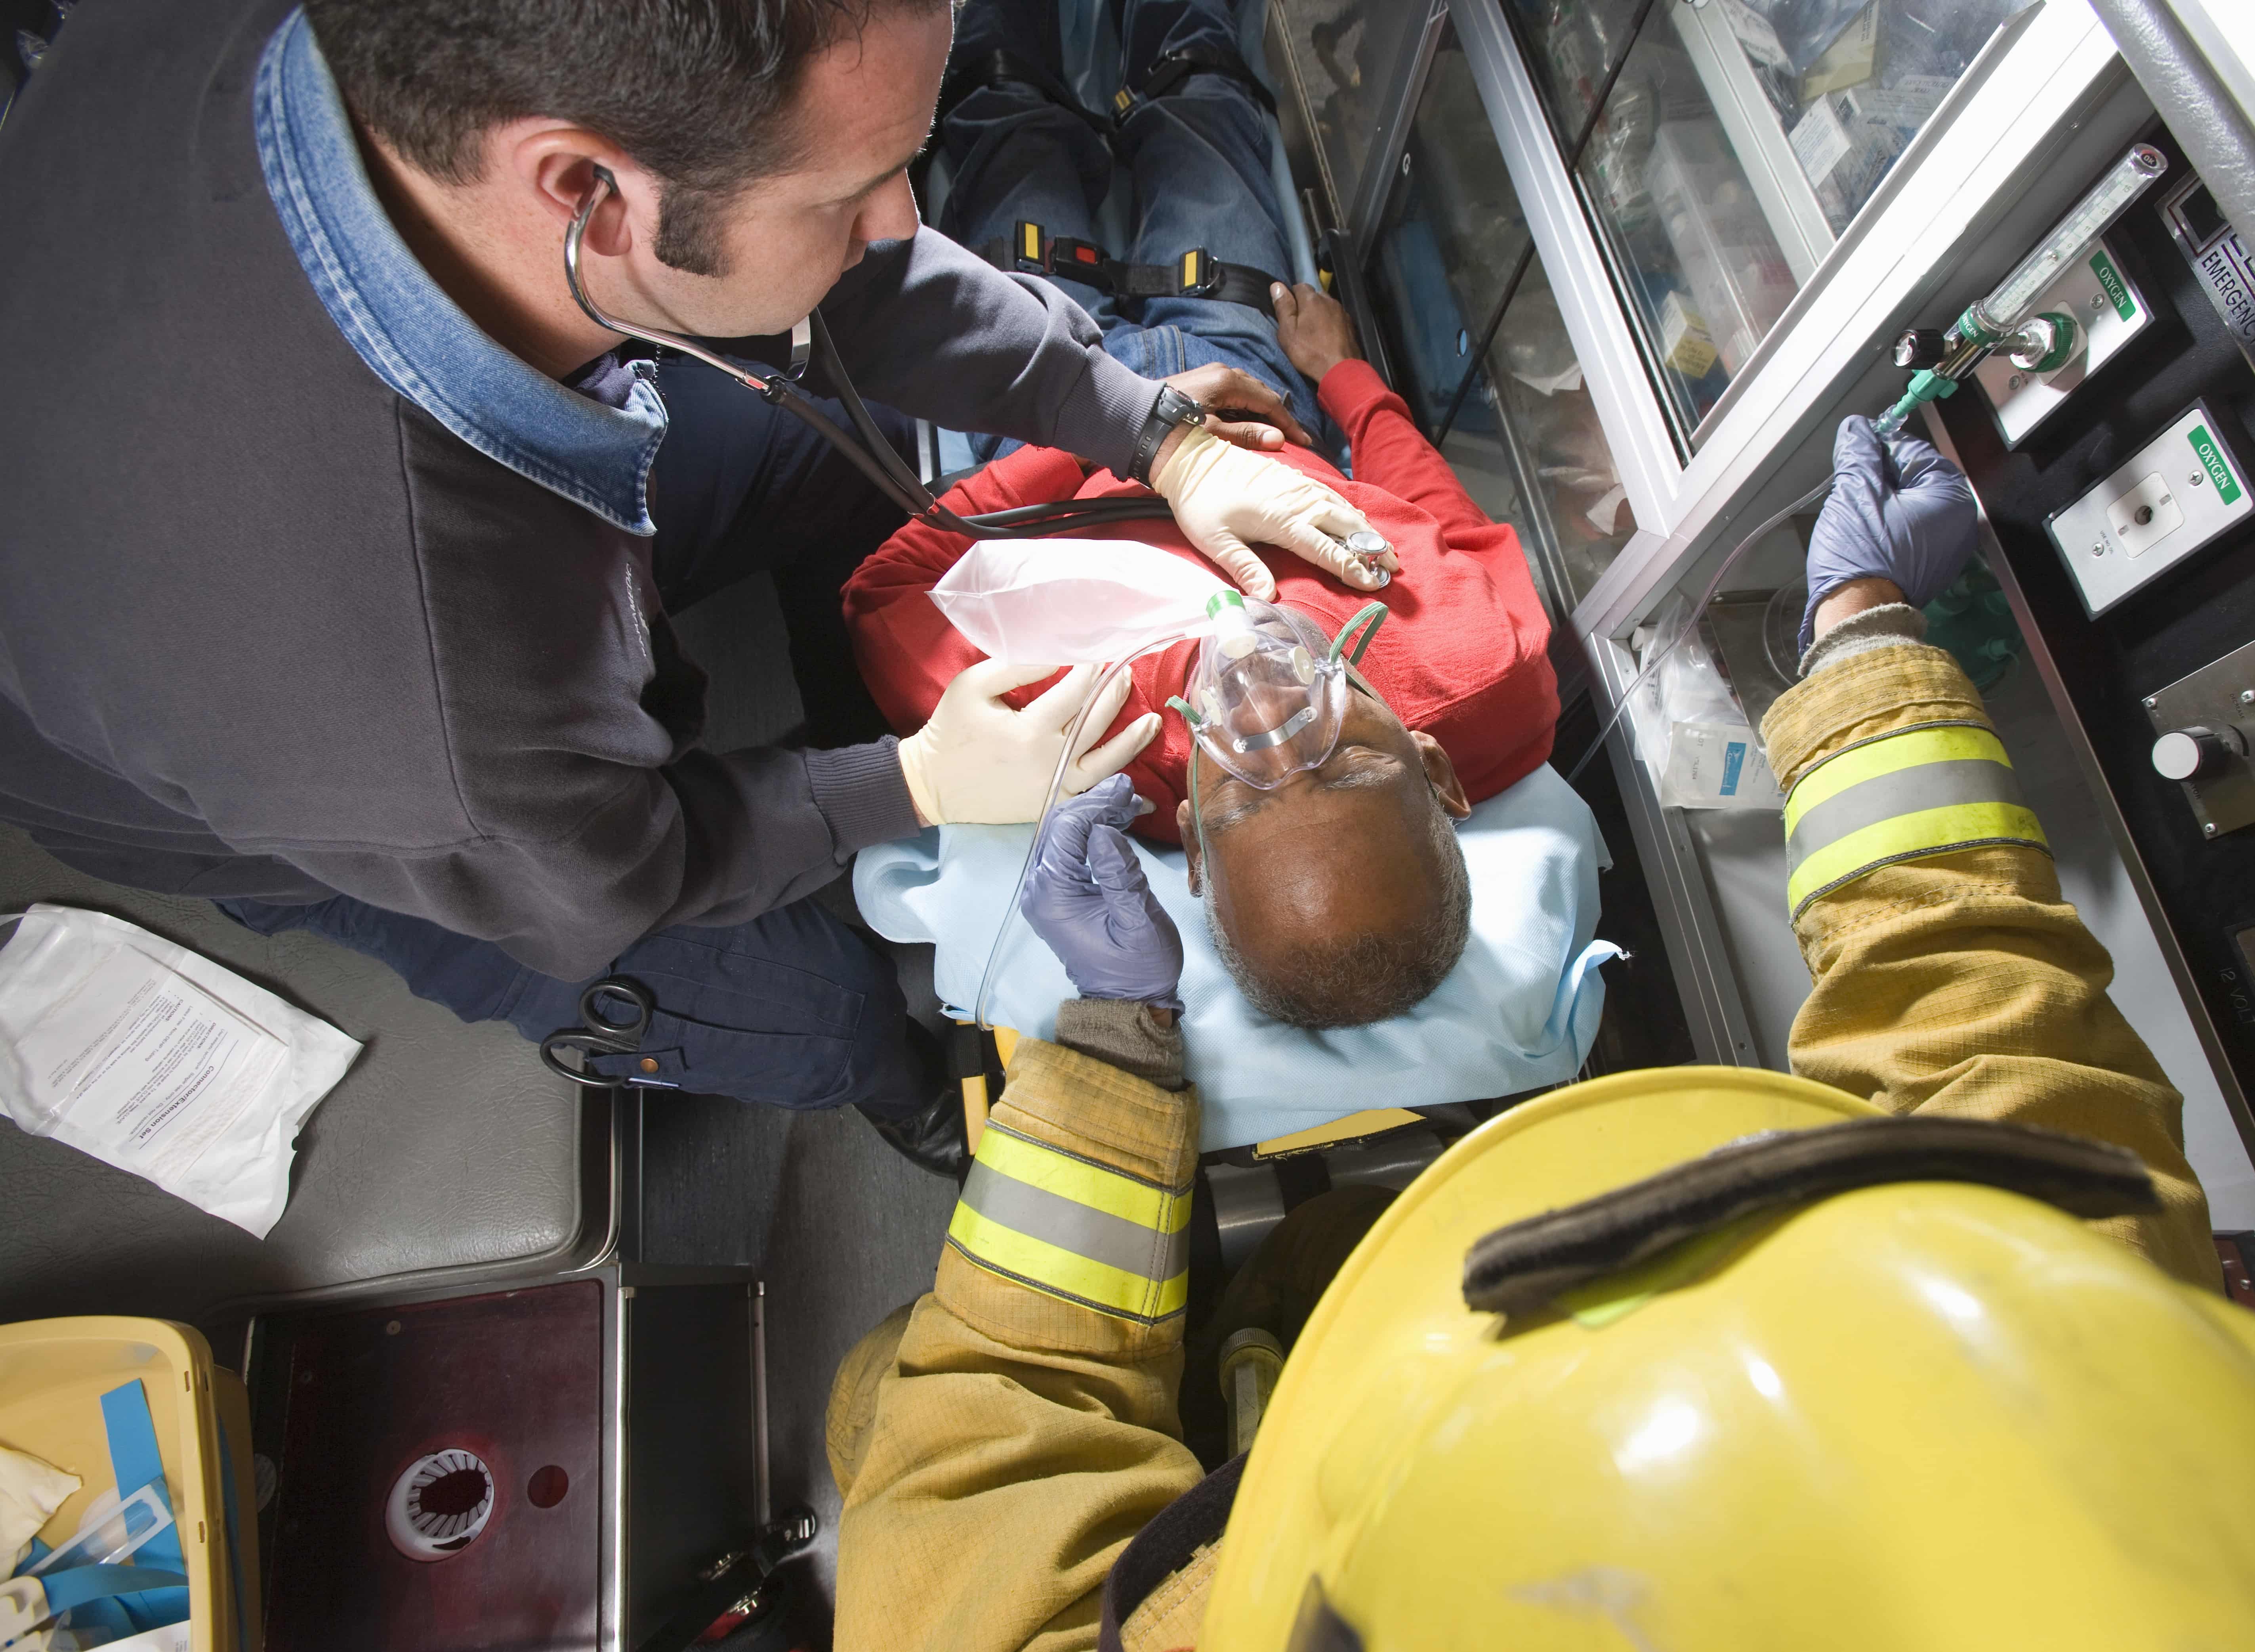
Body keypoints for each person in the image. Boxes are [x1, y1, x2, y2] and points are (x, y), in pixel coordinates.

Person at [817, 419, 2255, 1652]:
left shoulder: (1190, 718)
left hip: (1297, 1383)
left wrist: (1107, 1041)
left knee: (876, 1388)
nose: (1267, 713)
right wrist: (1859, 639)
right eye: (1269, 767)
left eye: (1285, 762)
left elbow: (983, 1458)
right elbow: (2000, 1066)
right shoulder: (2167, 1486)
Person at [0, 0, 1388, 1167]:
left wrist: (1155, 427)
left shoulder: (487, 98)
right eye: (853, 194)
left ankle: (843, 656)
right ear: (584, 193)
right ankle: (913, 1105)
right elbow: (614, 873)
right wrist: (903, 788)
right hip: (286, 764)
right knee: (817, 1006)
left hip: (303, 507)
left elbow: (845, 288)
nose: (903, 219)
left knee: (829, 430)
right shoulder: (412, 698)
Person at [845, 0, 1559, 1028]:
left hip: (1050, 414)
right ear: (1435, 770)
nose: (1274, 713)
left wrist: (1106, 433)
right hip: (1256, 379)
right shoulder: (1495, 680)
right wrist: (1350, 376)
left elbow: (885, 593)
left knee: (1009, 116)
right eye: (1347, 758)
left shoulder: (1064, 736)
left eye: (1248, 793)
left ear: (1187, 832)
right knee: (1203, 96)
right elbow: (1427, 513)